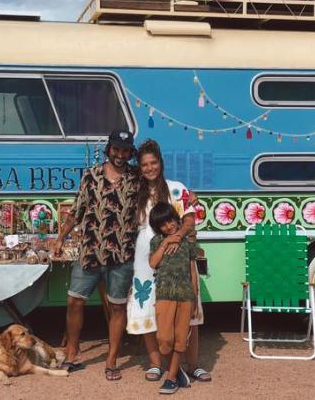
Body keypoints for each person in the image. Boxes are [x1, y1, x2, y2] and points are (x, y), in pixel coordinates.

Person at [53, 129, 140, 381]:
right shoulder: (91, 176)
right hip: (90, 251)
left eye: (125, 150)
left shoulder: (136, 179)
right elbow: (76, 211)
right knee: (74, 301)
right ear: (108, 149)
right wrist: (61, 237)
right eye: (116, 149)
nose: (120, 155)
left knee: (117, 306)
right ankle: (72, 351)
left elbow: (156, 197)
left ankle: (111, 359)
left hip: (122, 254)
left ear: (130, 152)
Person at [127, 139, 210, 385]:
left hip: (178, 256)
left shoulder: (176, 188)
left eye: (153, 162)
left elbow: (189, 218)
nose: (149, 168)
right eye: (144, 164)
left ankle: (192, 365)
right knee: (149, 309)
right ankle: (156, 364)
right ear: (140, 168)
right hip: (145, 259)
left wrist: (176, 237)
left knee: (188, 313)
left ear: (161, 163)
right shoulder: (135, 193)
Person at [148, 202, 199, 395]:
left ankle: (170, 378)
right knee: (164, 338)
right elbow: (153, 263)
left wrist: (194, 297)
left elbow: (192, 271)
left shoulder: (188, 242)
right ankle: (176, 370)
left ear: (176, 219)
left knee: (180, 338)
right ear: (158, 228)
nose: (169, 226)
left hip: (185, 296)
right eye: (163, 224)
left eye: (170, 221)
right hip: (164, 295)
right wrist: (165, 243)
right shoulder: (157, 241)